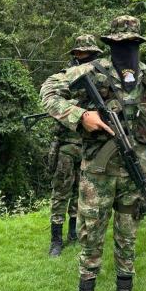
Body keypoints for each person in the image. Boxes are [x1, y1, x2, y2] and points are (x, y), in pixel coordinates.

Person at [40, 16, 146, 291]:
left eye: (132, 43)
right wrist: (81, 115)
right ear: (110, 44)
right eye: (121, 44)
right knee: (90, 235)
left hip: (136, 171)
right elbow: (48, 93)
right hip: (97, 173)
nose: (127, 48)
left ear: (139, 44)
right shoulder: (89, 71)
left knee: (128, 236)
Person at [48, 34, 103, 257]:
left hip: (89, 145)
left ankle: (73, 233)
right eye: (81, 54)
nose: (84, 58)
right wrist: (77, 109)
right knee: (61, 191)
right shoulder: (64, 77)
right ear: (75, 55)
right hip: (66, 144)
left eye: (89, 55)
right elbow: (53, 104)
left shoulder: (99, 78)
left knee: (81, 192)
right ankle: (55, 239)